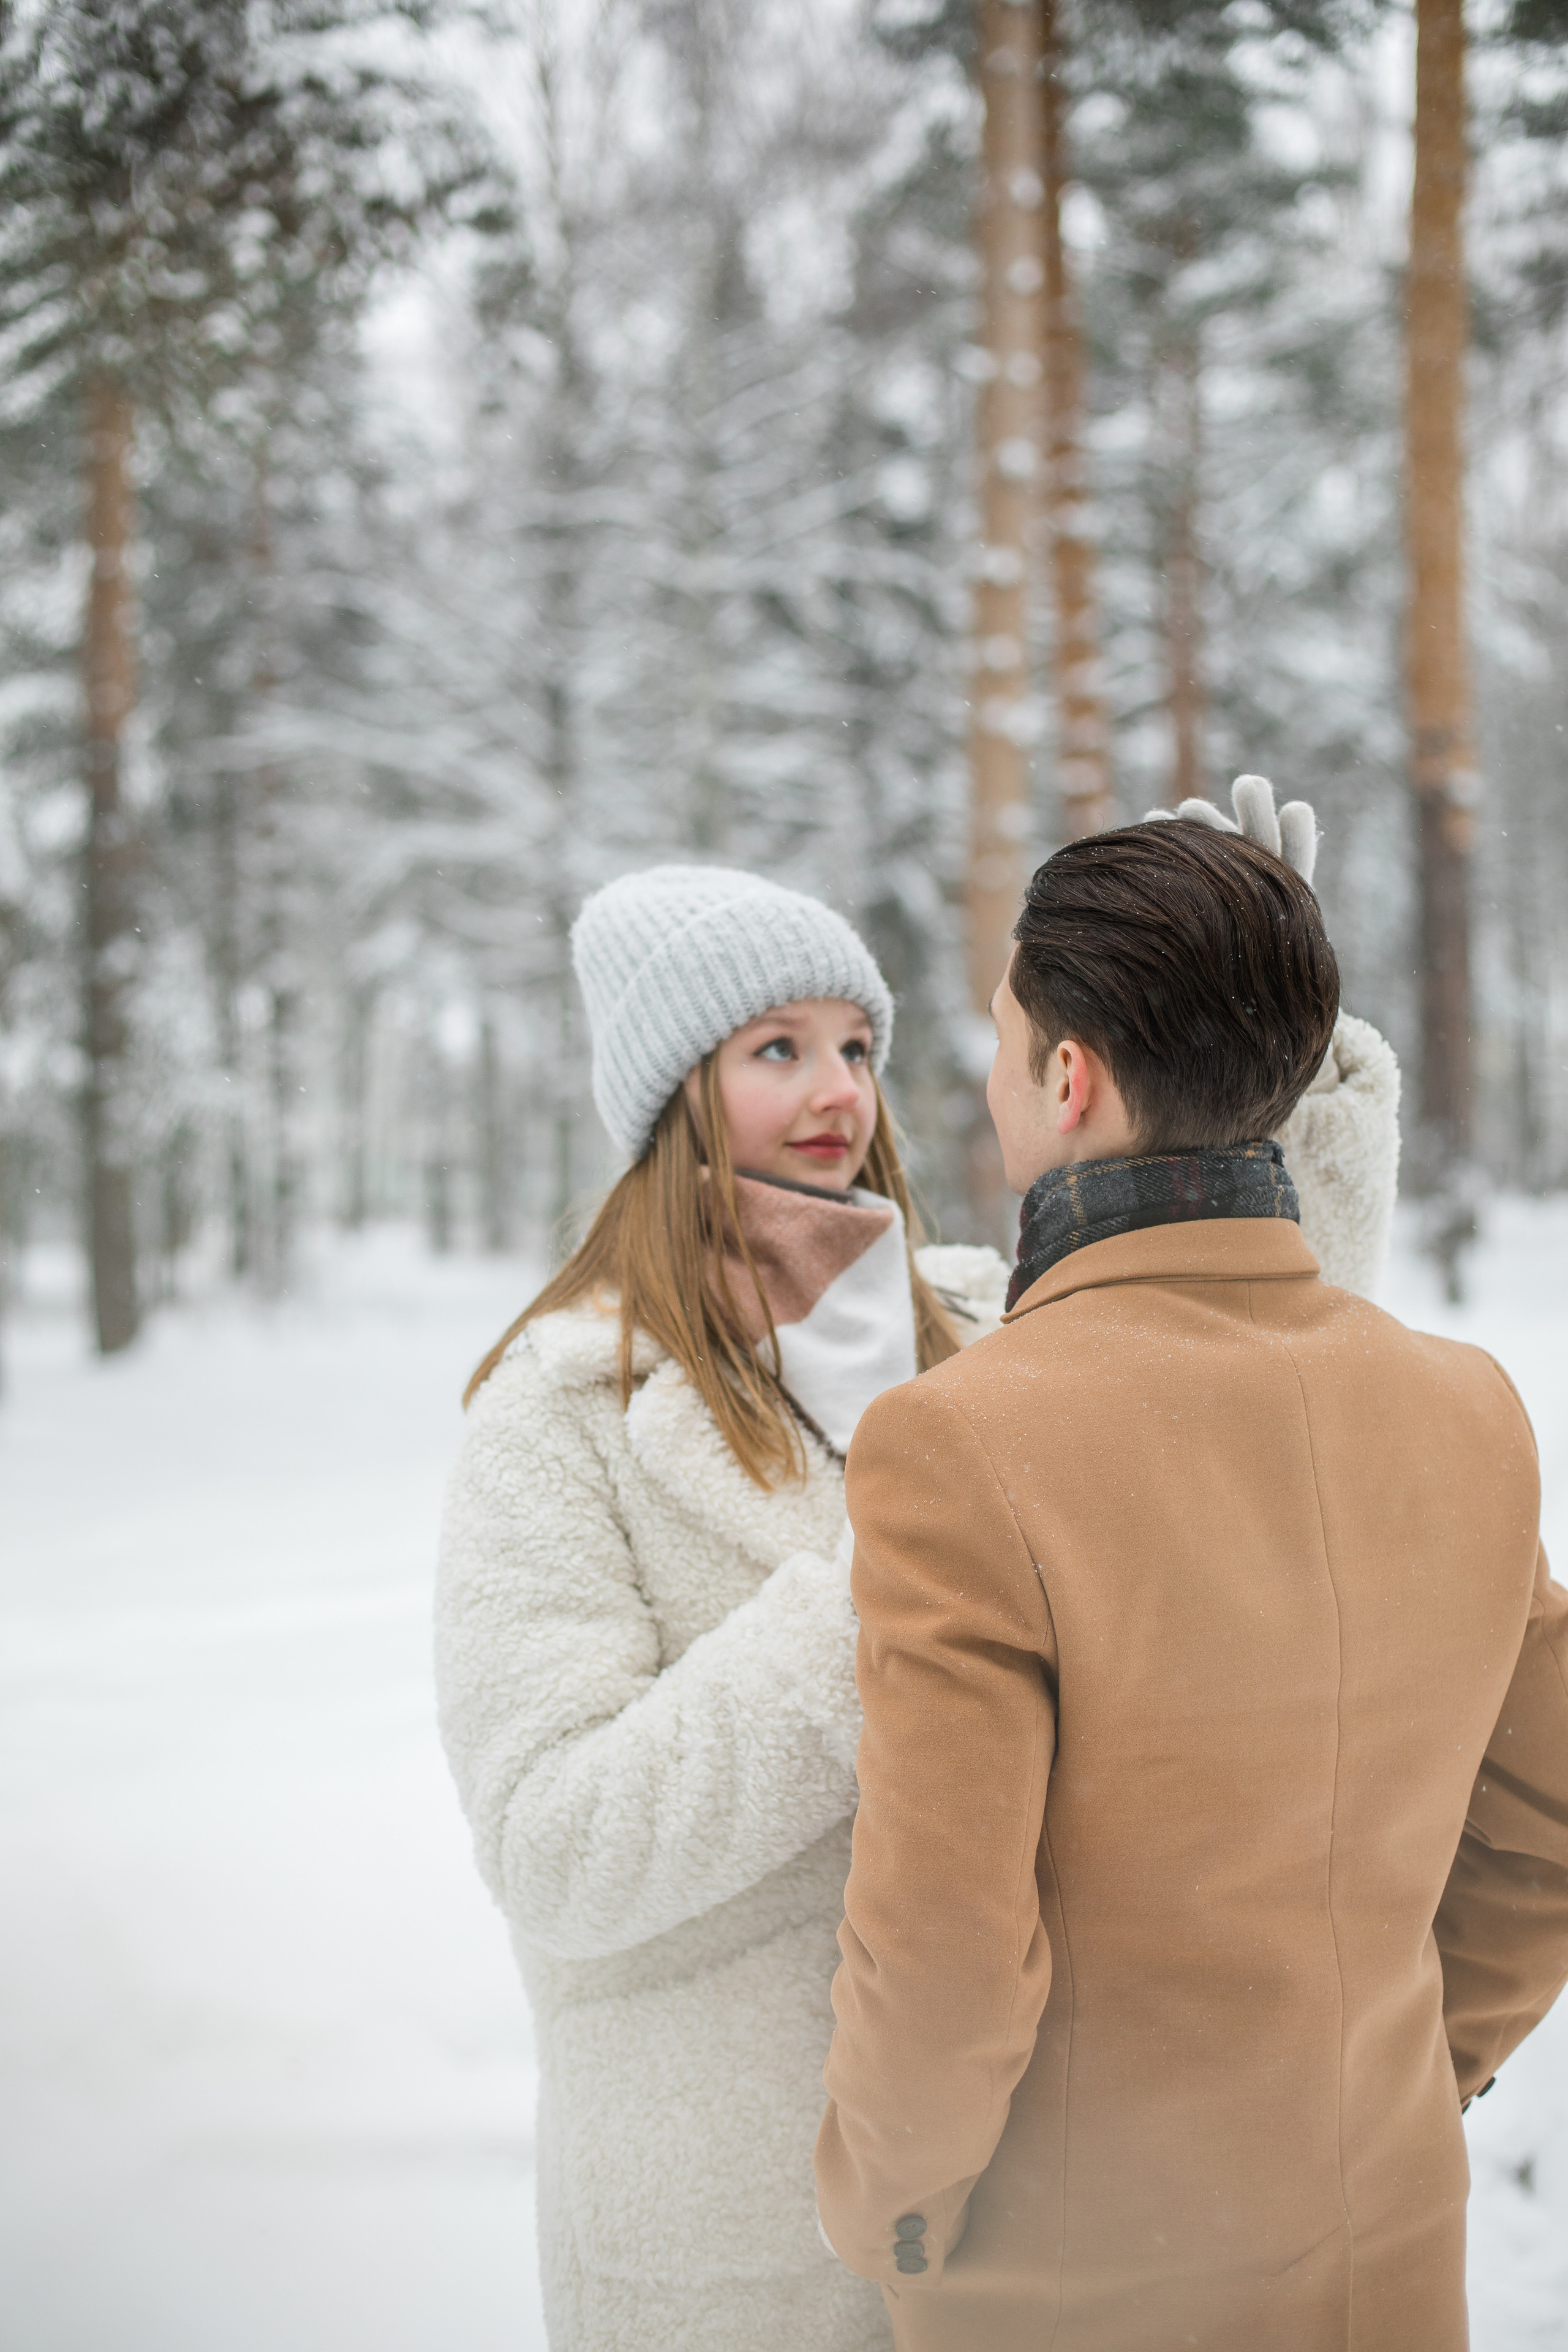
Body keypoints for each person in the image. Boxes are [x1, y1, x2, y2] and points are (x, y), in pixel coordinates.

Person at [435, 819, 1398, 2352]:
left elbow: (1231, 1352)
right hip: (729, 2235)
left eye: (855, 1046)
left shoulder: (978, 1312)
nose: (835, 1092)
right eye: (774, 1048)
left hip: (1018, 2196)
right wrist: (886, 1589)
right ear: (672, 1091)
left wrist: (1270, 1044)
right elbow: (559, 1849)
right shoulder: (557, 1417)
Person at [813, 819, 1568, 2352]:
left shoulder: (960, 1442)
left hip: (1082, 2283)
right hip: (1390, 2253)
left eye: (1008, 1043)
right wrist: (1411, 2067)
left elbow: (944, 1942)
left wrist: (890, 2214)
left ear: (1070, 1078)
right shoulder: (1468, 1407)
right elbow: (1549, 1817)